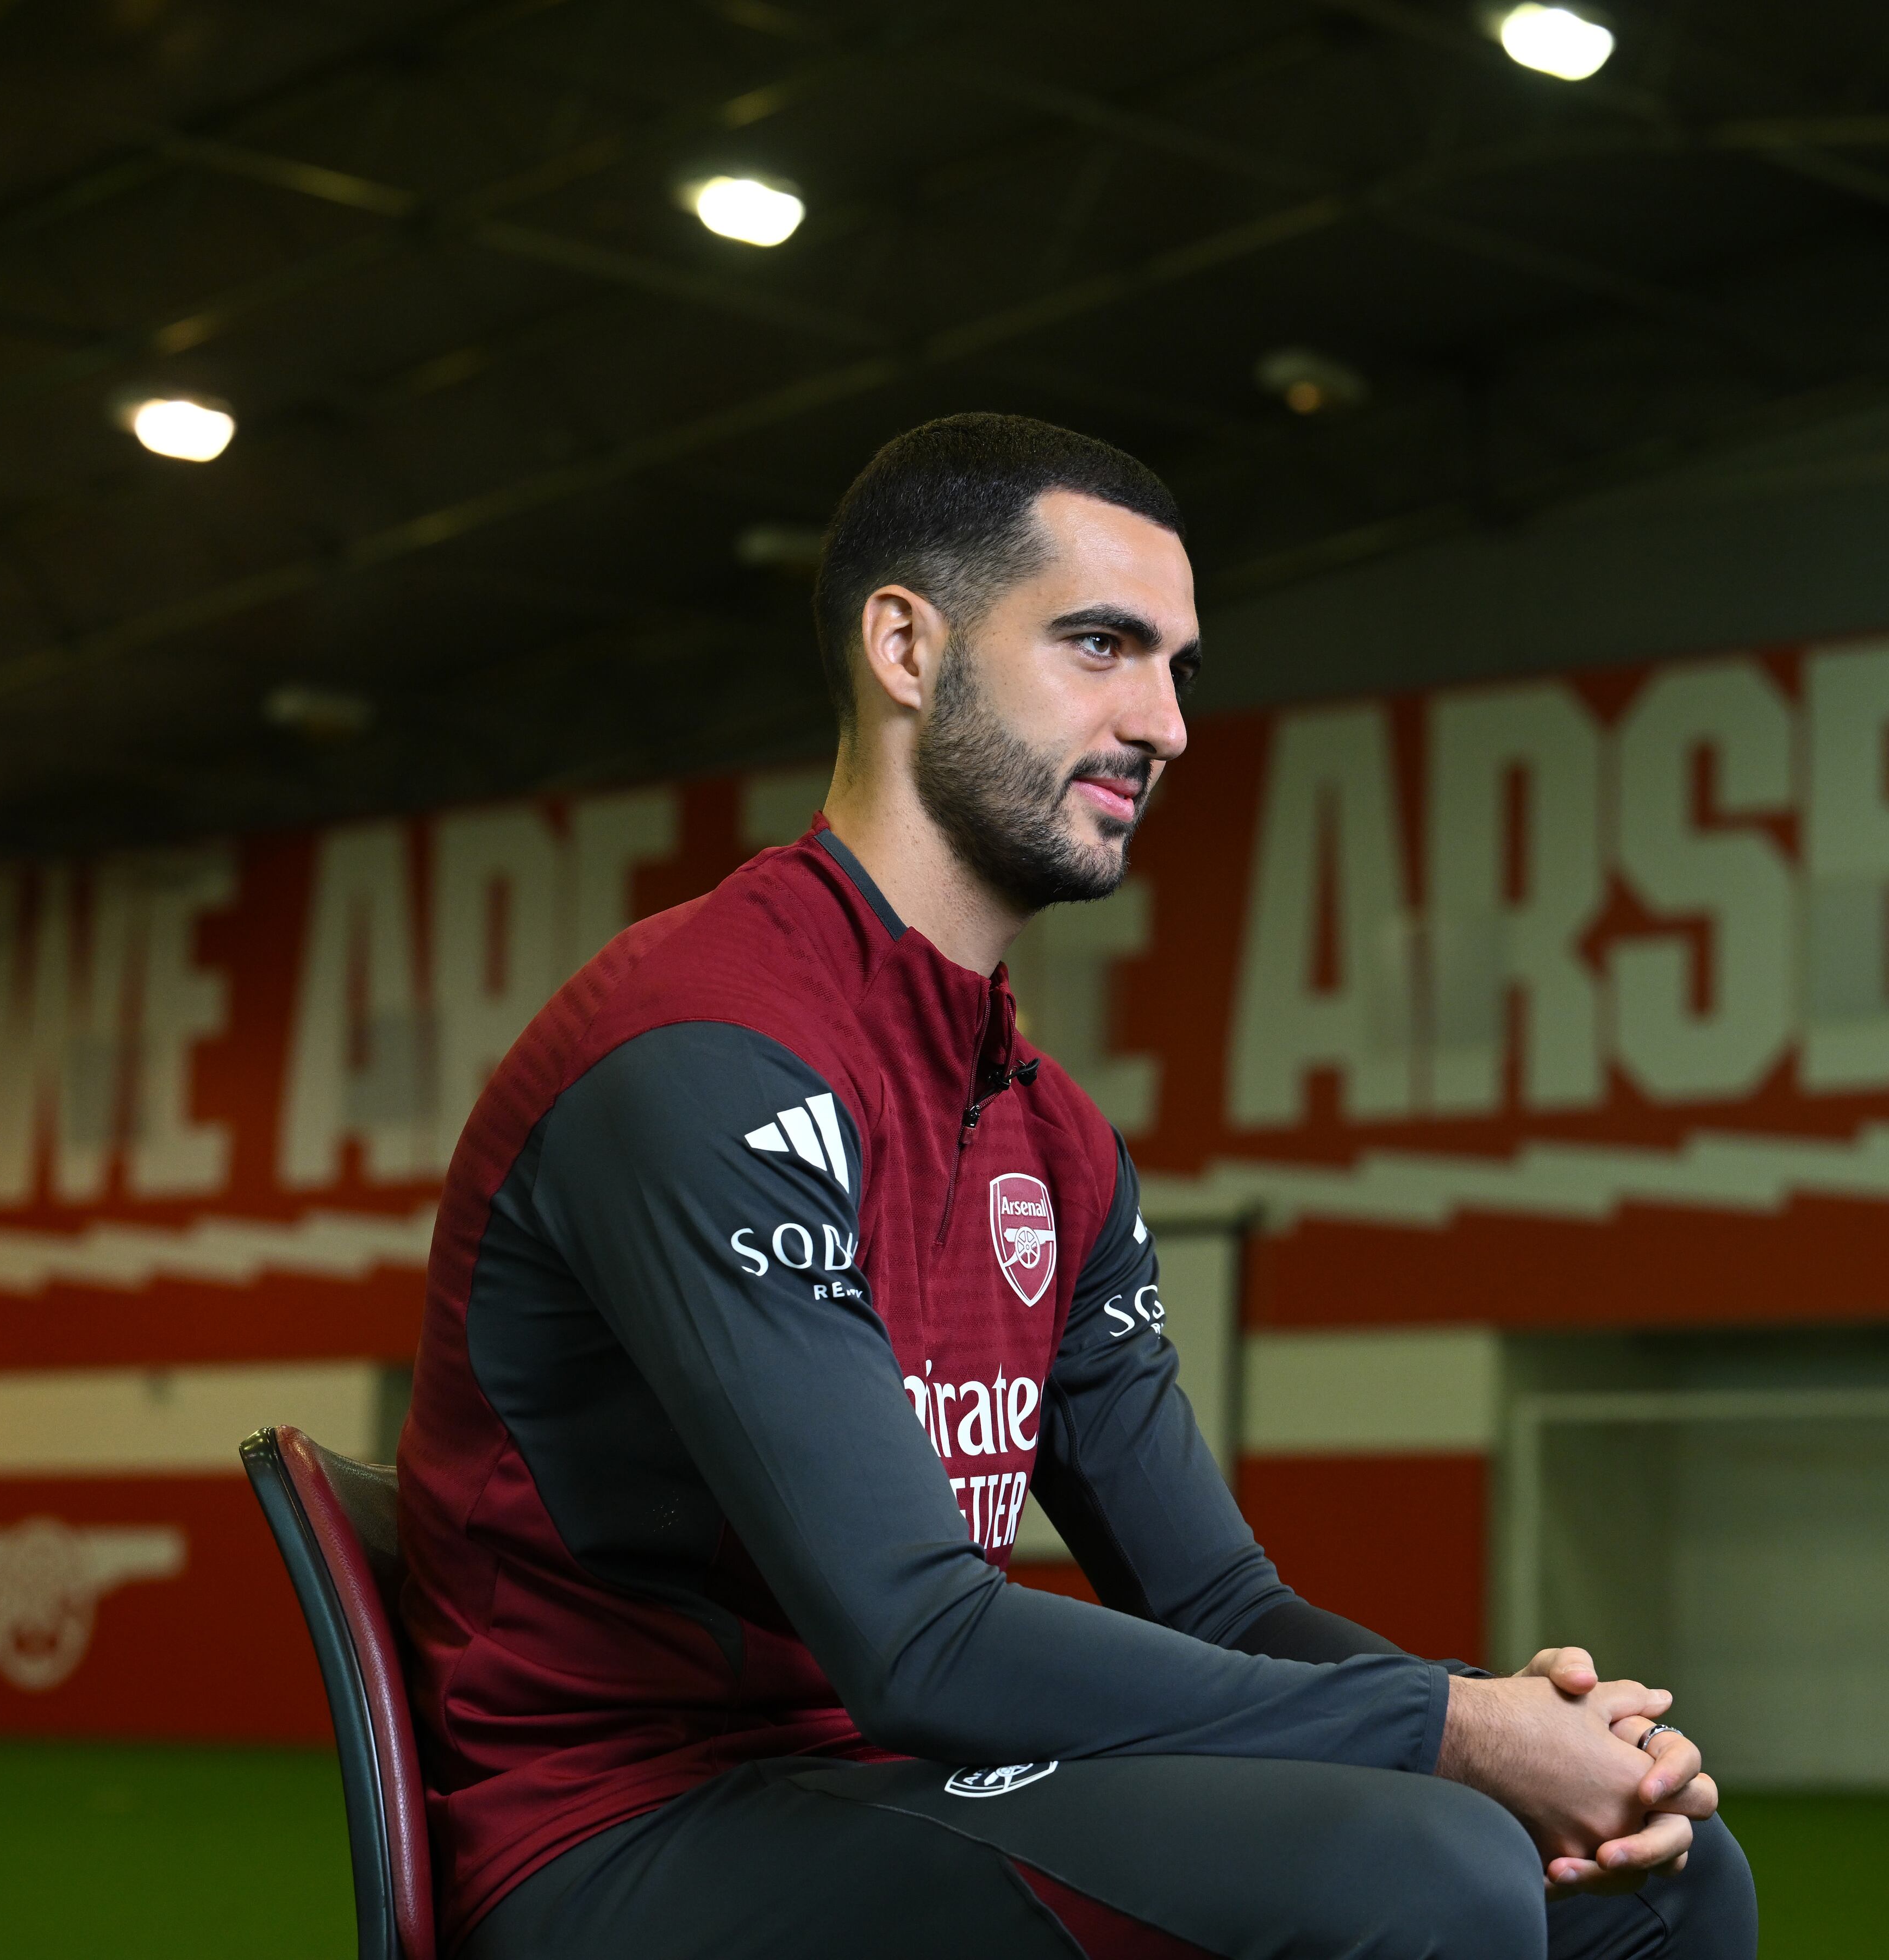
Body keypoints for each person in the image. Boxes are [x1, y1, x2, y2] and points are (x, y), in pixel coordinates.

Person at [397, 412, 1757, 1960]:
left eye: (1180, 666)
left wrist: (1533, 1739)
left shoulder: (1054, 1138)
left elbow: (1226, 1604)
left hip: (900, 1788)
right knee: (1426, 1859)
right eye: (1103, 646)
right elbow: (919, 1642)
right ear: (907, 649)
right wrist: (1446, 1734)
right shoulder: (707, 1052)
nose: (1166, 721)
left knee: (1669, 1883)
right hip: (627, 1836)